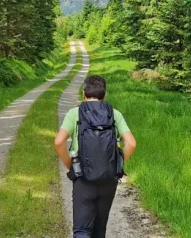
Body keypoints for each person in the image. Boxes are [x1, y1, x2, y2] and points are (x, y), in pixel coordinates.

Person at [54, 75, 137, 238]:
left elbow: (58, 142)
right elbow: (132, 143)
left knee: (82, 230)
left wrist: (70, 165)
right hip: (108, 179)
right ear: (104, 96)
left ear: (83, 94)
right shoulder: (114, 114)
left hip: (83, 178)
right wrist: (117, 163)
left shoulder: (74, 113)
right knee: (99, 230)